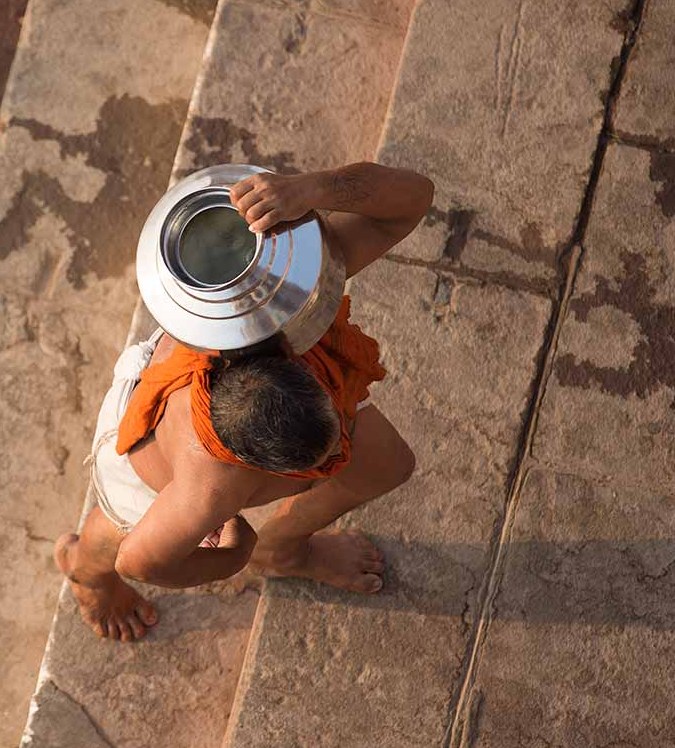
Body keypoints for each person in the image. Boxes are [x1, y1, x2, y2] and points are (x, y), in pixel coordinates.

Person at [54, 162, 434, 641]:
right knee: (110, 532)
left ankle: (284, 550)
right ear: (259, 469)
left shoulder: (280, 311)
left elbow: (412, 201)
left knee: (387, 465)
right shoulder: (205, 490)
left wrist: (314, 187)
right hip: (142, 461)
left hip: (241, 398)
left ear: (293, 362)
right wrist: (236, 552)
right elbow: (141, 560)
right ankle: (83, 577)